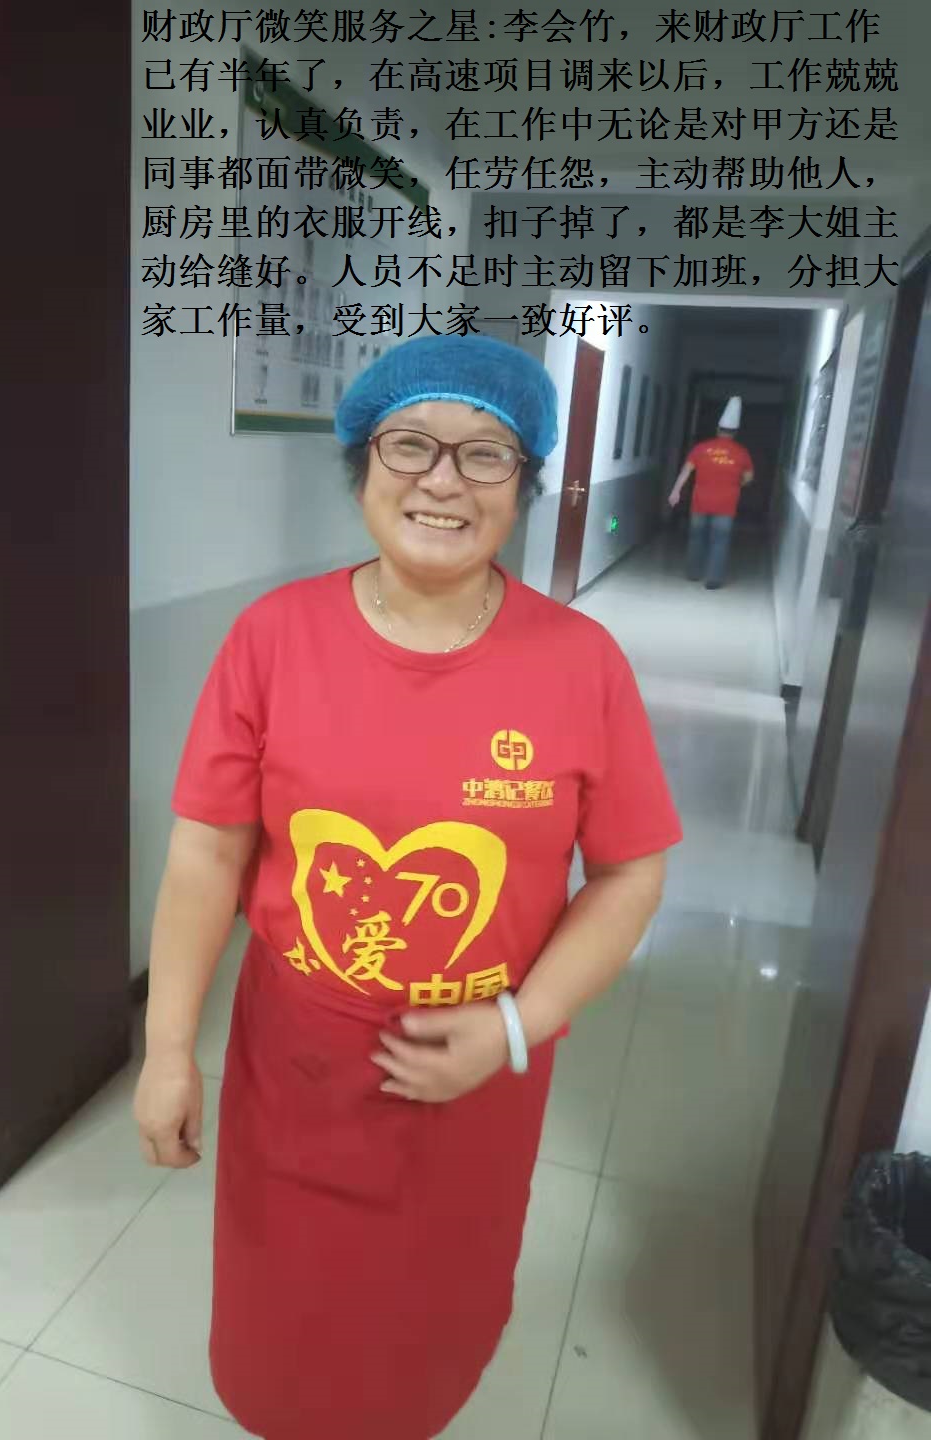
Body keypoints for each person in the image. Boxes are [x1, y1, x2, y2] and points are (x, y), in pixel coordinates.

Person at [134, 333, 683, 1440]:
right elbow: (207, 854)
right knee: (285, 1312)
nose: (443, 480)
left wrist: (519, 1026)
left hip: (477, 1077)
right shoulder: (273, 639)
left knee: (427, 1318)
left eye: (485, 455)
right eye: (410, 445)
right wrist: (166, 1050)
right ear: (362, 464)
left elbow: (631, 872)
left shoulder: (581, 663)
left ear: (524, 484)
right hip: (298, 1063)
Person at [668, 396, 755, 589]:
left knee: (696, 537)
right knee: (720, 541)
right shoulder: (742, 453)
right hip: (726, 505)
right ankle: (713, 580)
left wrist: (675, 492)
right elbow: (749, 478)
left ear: (718, 429)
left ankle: (693, 573)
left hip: (700, 503)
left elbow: (686, 471)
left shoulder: (701, 449)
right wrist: (736, 483)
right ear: (735, 433)